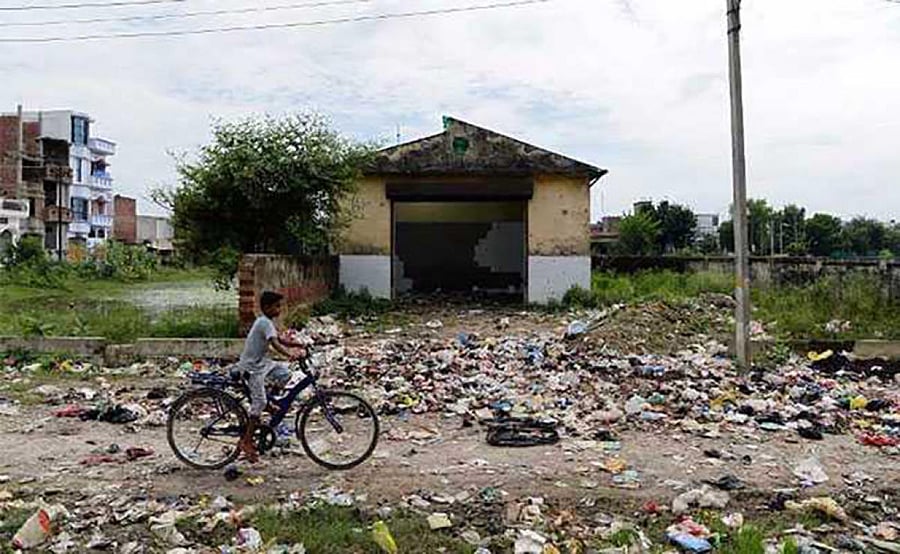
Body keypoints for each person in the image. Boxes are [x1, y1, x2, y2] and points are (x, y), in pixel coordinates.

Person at [236, 290, 306, 462]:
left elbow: (280, 339)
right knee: (258, 403)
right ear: (266, 308)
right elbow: (275, 344)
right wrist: (289, 355)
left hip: (263, 363)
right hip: (252, 368)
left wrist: (299, 343)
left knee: (285, 374)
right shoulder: (263, 322)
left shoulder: (267, 322)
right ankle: (246, 441)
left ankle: (269, 402)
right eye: (276, 306)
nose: (279, 309)